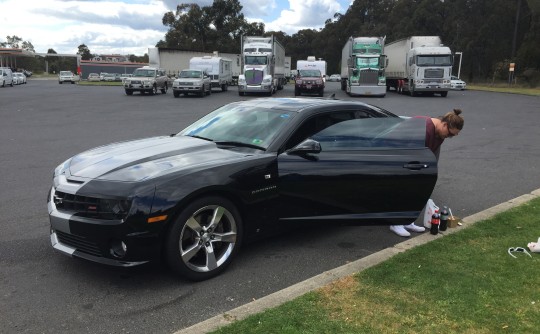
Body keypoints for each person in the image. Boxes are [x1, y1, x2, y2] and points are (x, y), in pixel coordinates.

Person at [390, 108, 465, 237]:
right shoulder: (424, 128)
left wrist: (431, 171)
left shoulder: (440, 133)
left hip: (415, 161)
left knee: (415, 191)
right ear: (445, 124)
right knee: (403, 190)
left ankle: (407, 221)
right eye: (450, 134)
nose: (449, 137)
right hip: (398, 157)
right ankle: (395, 223)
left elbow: (433, 154)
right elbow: (409, 150)